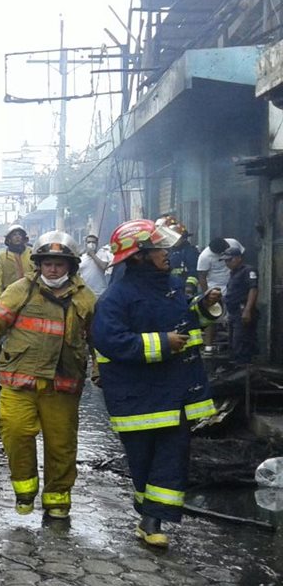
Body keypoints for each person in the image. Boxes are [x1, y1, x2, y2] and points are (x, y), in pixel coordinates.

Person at [93, 218, 221, 547]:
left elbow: (186, 324)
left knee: (173, 455)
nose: (167, 253)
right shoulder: (115, 298)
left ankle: (153, 521)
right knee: (142, 459)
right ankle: (148, 513)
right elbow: (111, 341)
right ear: (138, 255)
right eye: (159, 248)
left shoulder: (171, 286)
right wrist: (163, 343)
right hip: (135, 397)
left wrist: (204, 308)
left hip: (173, 390)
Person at [0, 231, 96, 519]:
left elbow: (96, 339)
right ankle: (25, 491)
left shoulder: (85, 298)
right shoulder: (20, 290)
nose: (52, 269)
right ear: (39, 264)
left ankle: (57, 500)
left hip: (63, 384)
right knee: (15, 432)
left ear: (71, 267)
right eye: (48, 263)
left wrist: (101, 370)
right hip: (19, 379)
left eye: (59, 264)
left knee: (61, 444)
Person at [222, 243, 259, 364]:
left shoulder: (248, 271)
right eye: (225, 261)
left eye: (229, 260)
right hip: (234, 313)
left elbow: (253, 289)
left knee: (241, 343)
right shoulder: (233, 273)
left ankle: (244, 371)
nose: (227, 263)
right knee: (233, 343)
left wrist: (247, 310)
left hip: (242, 312)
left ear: (238, 258)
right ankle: (238, 371)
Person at [157, 215, 199, 296]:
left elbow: (193, 270)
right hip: (170, 287)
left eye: (176, 238)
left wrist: (190, 286)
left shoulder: (190, 251)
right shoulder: (168, 251)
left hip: (185, 288)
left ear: (183, 238)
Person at [0, 224, 33, 294]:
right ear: (9, 239)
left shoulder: (31, 253)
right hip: (10, 296)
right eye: (14, 235)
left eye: (20, 235)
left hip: (30, 294)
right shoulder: (2, 257)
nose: (17, 237)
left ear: (23, 238)